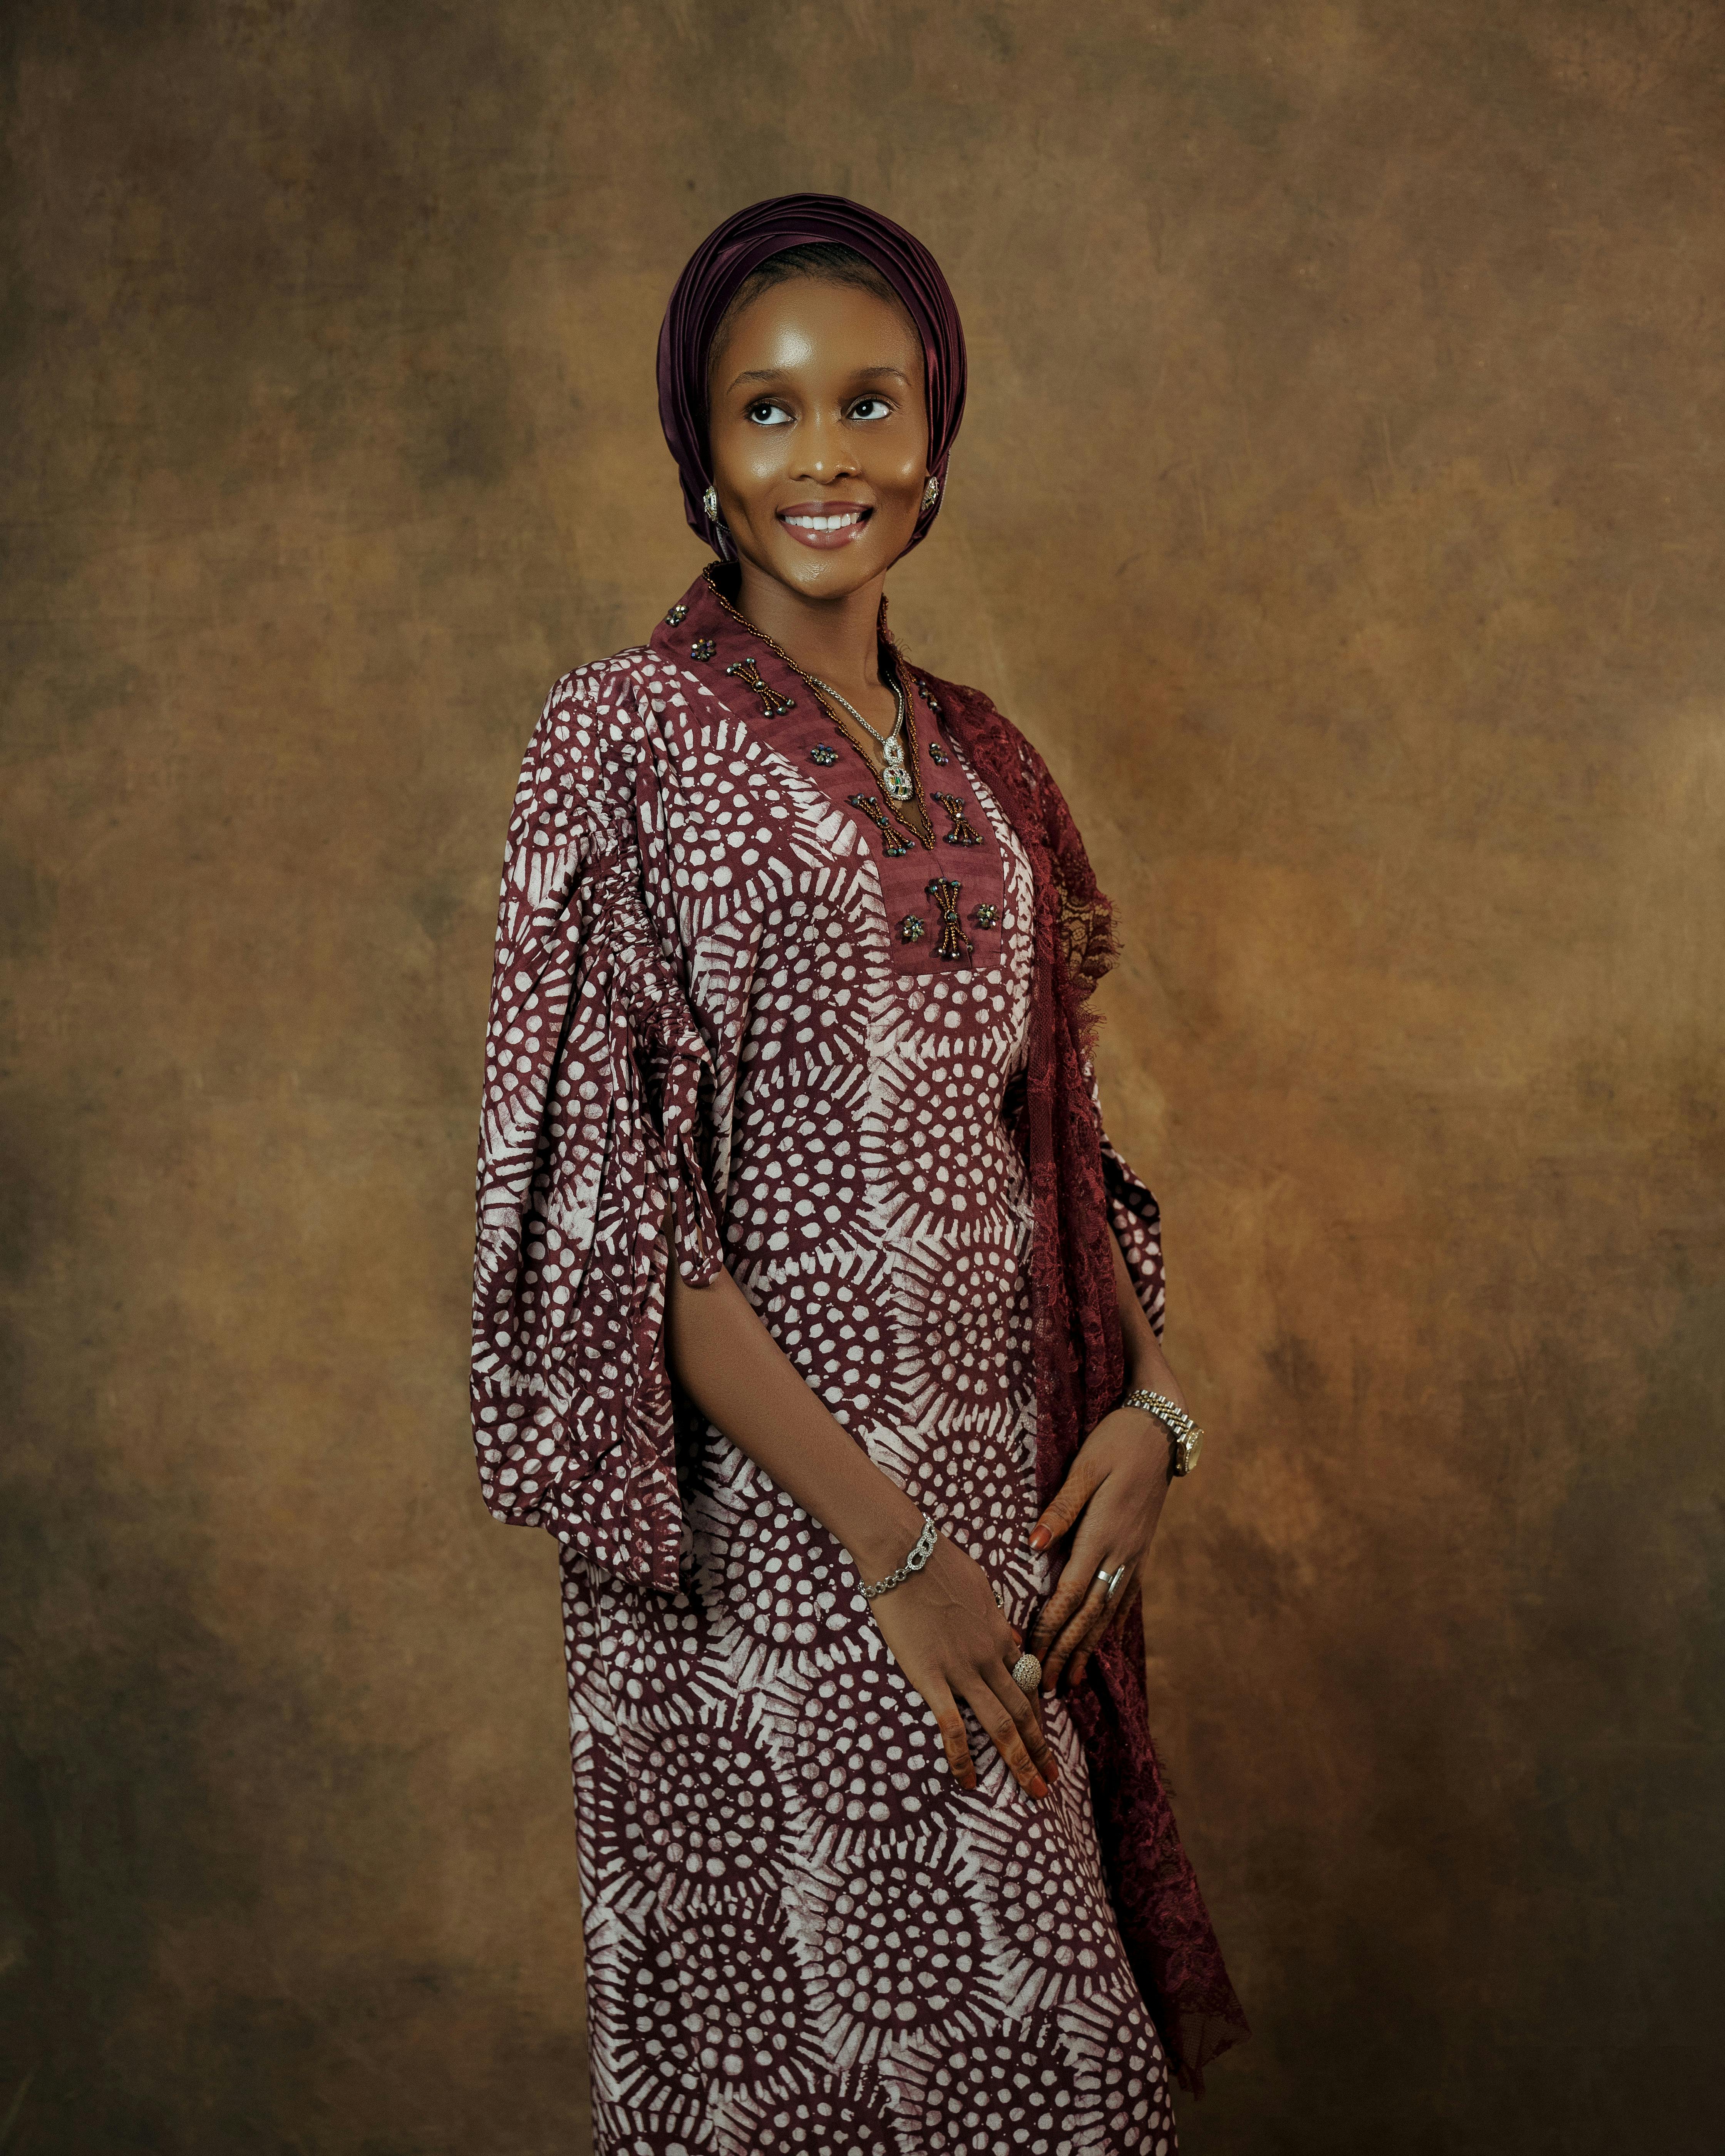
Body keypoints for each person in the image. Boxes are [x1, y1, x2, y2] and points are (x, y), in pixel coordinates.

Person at [471, 194, 1246, 2156]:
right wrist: (886, 1551)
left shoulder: (987, 765)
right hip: (762, 1536)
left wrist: (1153, 1406)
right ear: (701, 457)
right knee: (850, 2076)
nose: (825, 457)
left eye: (871, 402)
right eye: (769, 411)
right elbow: (614, 1204)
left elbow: (1053, 1137)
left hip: (998, 1512)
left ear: (938, 434)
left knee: (1056, 2085)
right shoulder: (618, 736)